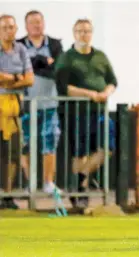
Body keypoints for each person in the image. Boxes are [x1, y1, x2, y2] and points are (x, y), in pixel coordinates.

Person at [55, 19, 117, 209]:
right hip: (75, 112)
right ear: (74, 33)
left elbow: (112, 81)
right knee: (79, 152)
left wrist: (105, 93)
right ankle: (79, 192)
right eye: (80, 31)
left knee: (108, 145)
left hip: (99, 111)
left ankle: (80, 178)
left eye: (88, 31)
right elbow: (63, 86)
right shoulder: (67, 57)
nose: (84, 35)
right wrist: (89, 94)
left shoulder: (100, 56)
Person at [17, 10, 63, 195]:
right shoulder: (18, 45)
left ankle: (48, 182)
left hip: (49, 103)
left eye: (39, 22)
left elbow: (59, 70)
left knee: (49, 142)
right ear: (26, 26)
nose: (36, 25)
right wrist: (42, 62)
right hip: (25, 104)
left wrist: (35, 65)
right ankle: (31, 183)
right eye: (32, 22)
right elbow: (17, 68)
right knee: (24, 144)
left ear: (44, 24)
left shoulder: (54, 44)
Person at [0, 14, 34, 209]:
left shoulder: (21, 50)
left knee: (12, 153)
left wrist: (8, 80)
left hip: (15, 108)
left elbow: (30, 79)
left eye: (11, 27)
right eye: (4, 27)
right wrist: (15, 77)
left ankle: (7, 193)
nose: (8, 31)